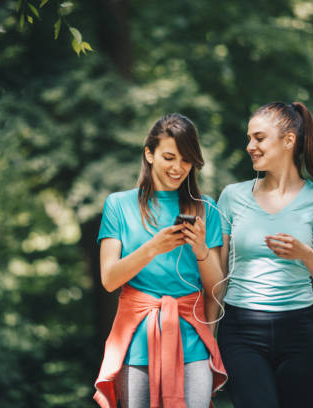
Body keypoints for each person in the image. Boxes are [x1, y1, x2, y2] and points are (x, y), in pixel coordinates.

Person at [214, 102, 313, 408]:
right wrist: (205, 342)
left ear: (288, 141)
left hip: (300, 333)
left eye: (259, 138)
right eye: (249, 138)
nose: (249, 146)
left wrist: (305, 253)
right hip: (240, 331)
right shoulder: (231, 197)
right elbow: (217, 280)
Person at [93, 114, 228, 408]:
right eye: (169, 157)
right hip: (136, 342)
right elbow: (109, 278)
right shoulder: (118, 205)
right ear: (149, 154)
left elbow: (216, 289)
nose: (178, 168)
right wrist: (153, 247)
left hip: (192, 342)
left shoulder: (207, 209)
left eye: (187, 159)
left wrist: (201, 248)